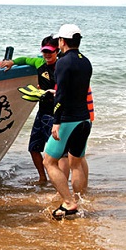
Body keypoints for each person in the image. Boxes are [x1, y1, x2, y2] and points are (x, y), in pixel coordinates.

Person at [43, 24, 93, 220]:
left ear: (62, 41)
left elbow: (62, 94)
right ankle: (77, 202)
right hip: (84, 119)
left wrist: (56, 121)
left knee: (49, 161)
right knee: (76, 163)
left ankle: (68, 202)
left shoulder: (63, 63)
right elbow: (77, 90)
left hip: (67, 121)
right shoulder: (86, 61)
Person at [0, 36, 59, 183]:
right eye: (45, 52)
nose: (47, 55)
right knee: (33, 148)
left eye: (50, 52)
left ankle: (57, 180)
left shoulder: (62, 66)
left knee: (55, 153)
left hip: (56, 115)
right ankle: (43, 178)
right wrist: (11, 62)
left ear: (57, 51)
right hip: (42, 112)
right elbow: (24, 60)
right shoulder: (39, 62)